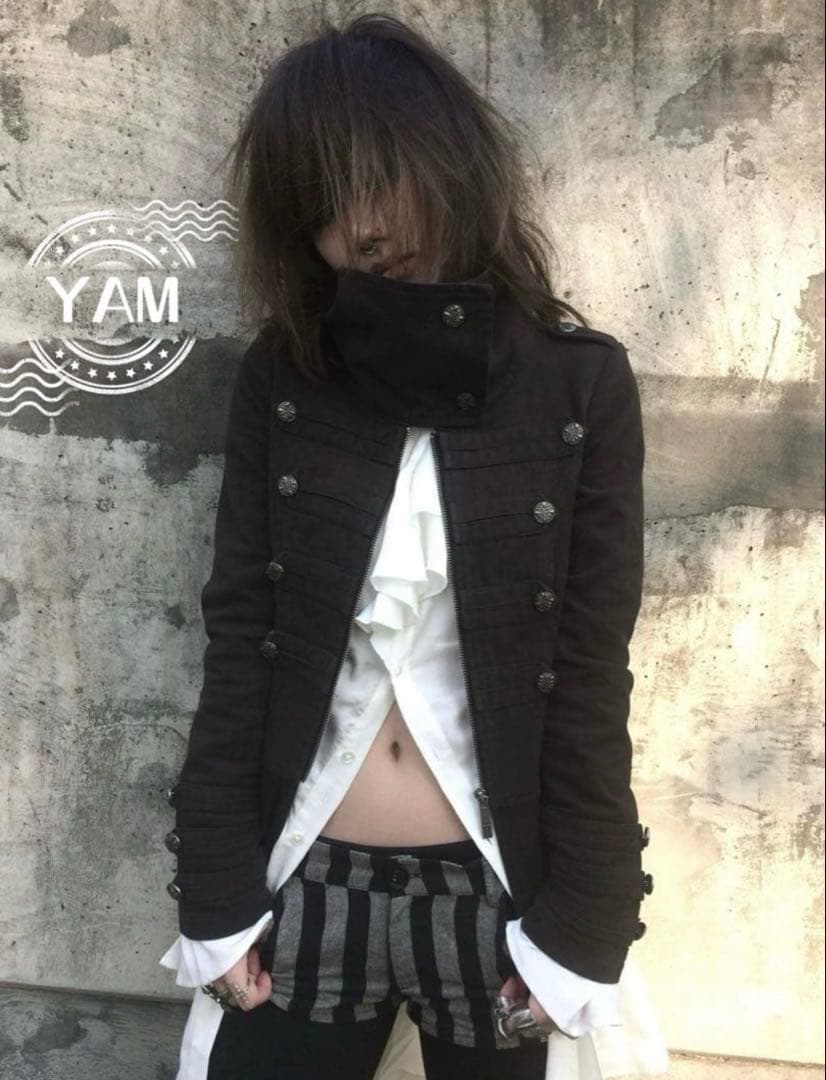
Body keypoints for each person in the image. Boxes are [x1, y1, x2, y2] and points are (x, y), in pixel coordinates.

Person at [159, 12, 668, 1080]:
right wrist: (214, 888)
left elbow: (588, 671)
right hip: (303, 890)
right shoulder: (284, 379)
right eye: (320, 200)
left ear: (448, 161)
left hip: (501, 905)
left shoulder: (579, 385)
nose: (358, 225)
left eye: (377, 177)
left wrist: (589, 922)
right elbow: (240, 639)